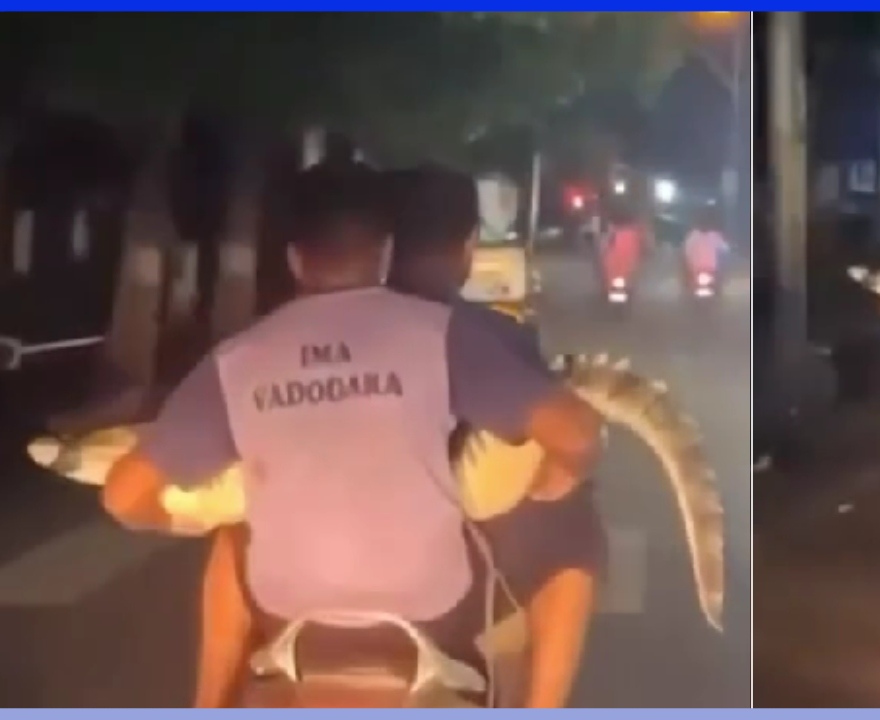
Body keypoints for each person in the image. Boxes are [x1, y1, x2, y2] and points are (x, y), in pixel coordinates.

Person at [101, 163, 603, 708]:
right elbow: (576, 433)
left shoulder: (236, 359)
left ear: (294, 259)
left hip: (286, 612)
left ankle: (208, 707)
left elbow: (123, 494)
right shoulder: (440, 333)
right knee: (572, 528)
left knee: (233, 531)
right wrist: (561, 472)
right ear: (385, 253)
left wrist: (169, 517)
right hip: (430, 609)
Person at [682, 206, 731, 286]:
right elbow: (725, 250)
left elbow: (686, 253)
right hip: (712, 270)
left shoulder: (692, 236)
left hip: (695, 270)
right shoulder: (715, 236)